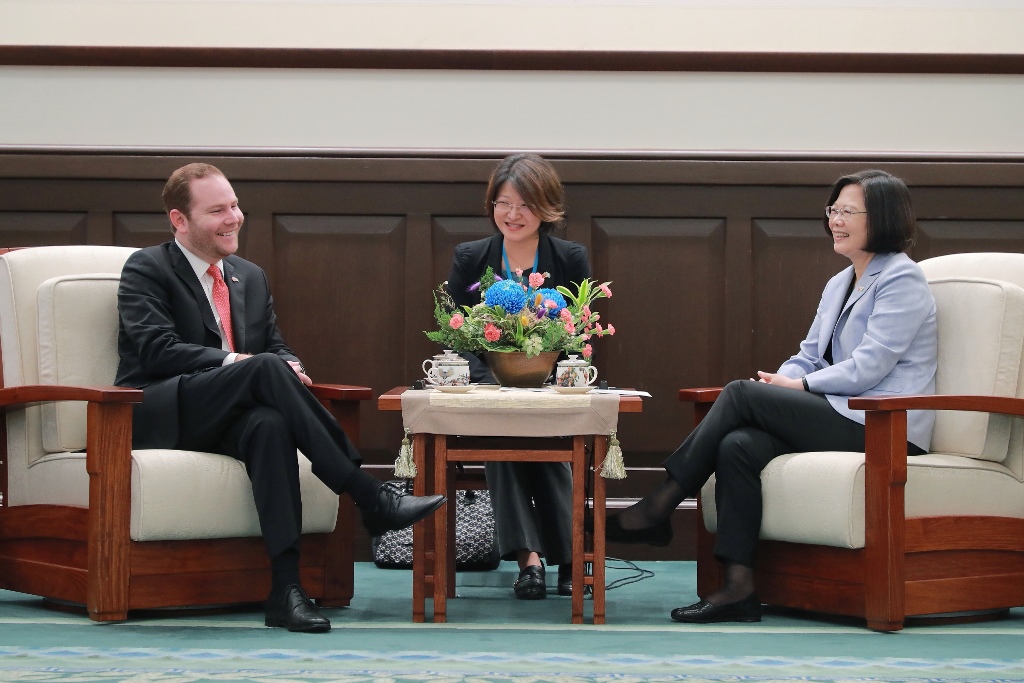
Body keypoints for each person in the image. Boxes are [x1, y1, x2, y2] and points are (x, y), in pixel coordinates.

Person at [115, 163, 446, 633]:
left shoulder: (249, 276)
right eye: (217, 210)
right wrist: (246, 364)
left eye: (234, 205)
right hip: (162, 409)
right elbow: (156, 349)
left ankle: (285, 590)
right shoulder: (147, 267)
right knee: (263, 369)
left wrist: (293, 368)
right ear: (179, 220)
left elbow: (274, 345)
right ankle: (367, 495)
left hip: (231, 414)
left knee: (270, 423)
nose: (234, 217)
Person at [606, 169, 937, 624]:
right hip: (841, 412)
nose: (835, 220)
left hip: (885, 423)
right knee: (737, 444)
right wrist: (780, 383)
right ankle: (739, 588)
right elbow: (807, 356)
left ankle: (662, 502)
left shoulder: (903, 279)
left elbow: (870, 368)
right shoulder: (841, 282)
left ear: (880, 217)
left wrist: (795, 389)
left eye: (847, 212)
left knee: (740, 395)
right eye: (832, 210)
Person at [446, 154, 590, 600]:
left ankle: (568, 559)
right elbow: (457, 332)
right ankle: (530, 559)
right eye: (503, 203)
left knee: (547, 443)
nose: (513, 215)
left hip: (549, 391)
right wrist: (489, 387)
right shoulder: (470, 258)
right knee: (501, 442)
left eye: (525, 205)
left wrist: (550, 382)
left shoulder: (569, 258)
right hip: (488, 391)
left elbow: (581, 336)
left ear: (545, 208)